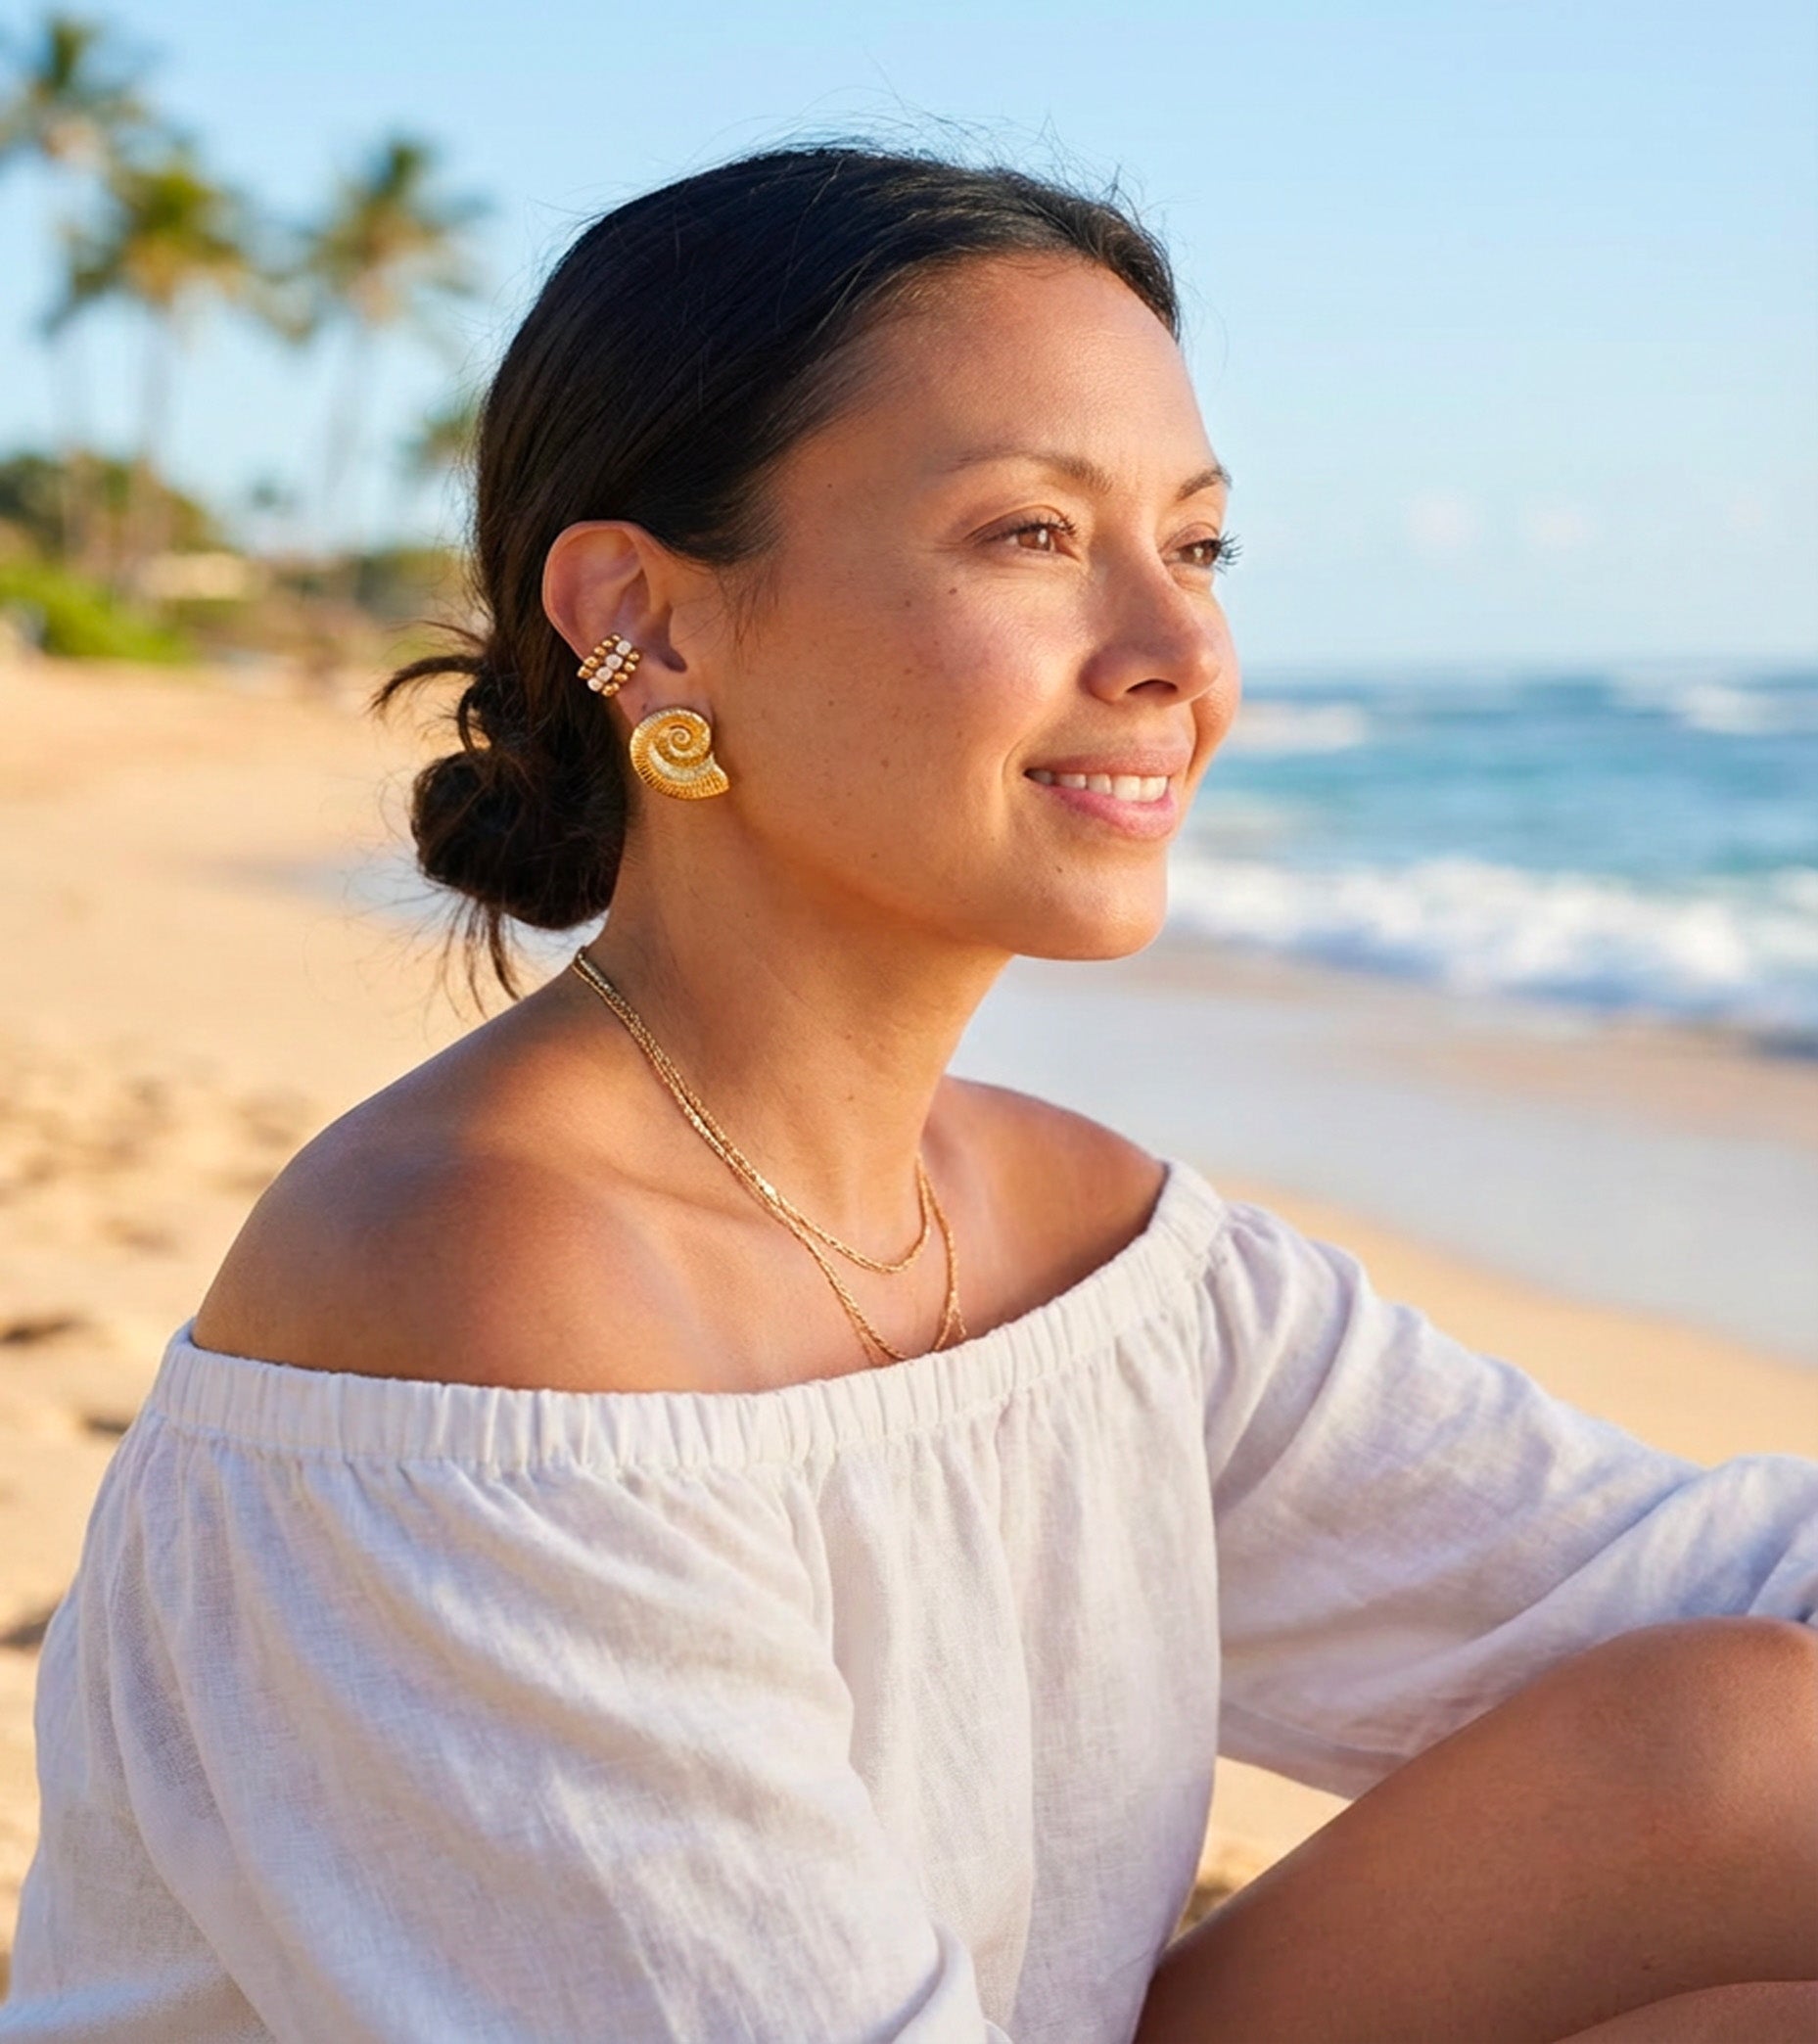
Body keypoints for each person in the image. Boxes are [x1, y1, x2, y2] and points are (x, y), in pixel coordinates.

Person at [4, 144, 1815, 2044]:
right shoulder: (472, 1294)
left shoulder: (1087, 1253)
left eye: (1193, 547)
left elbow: (1716, 1588)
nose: (1177, 655)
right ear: (649, 621)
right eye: (1028, 536)